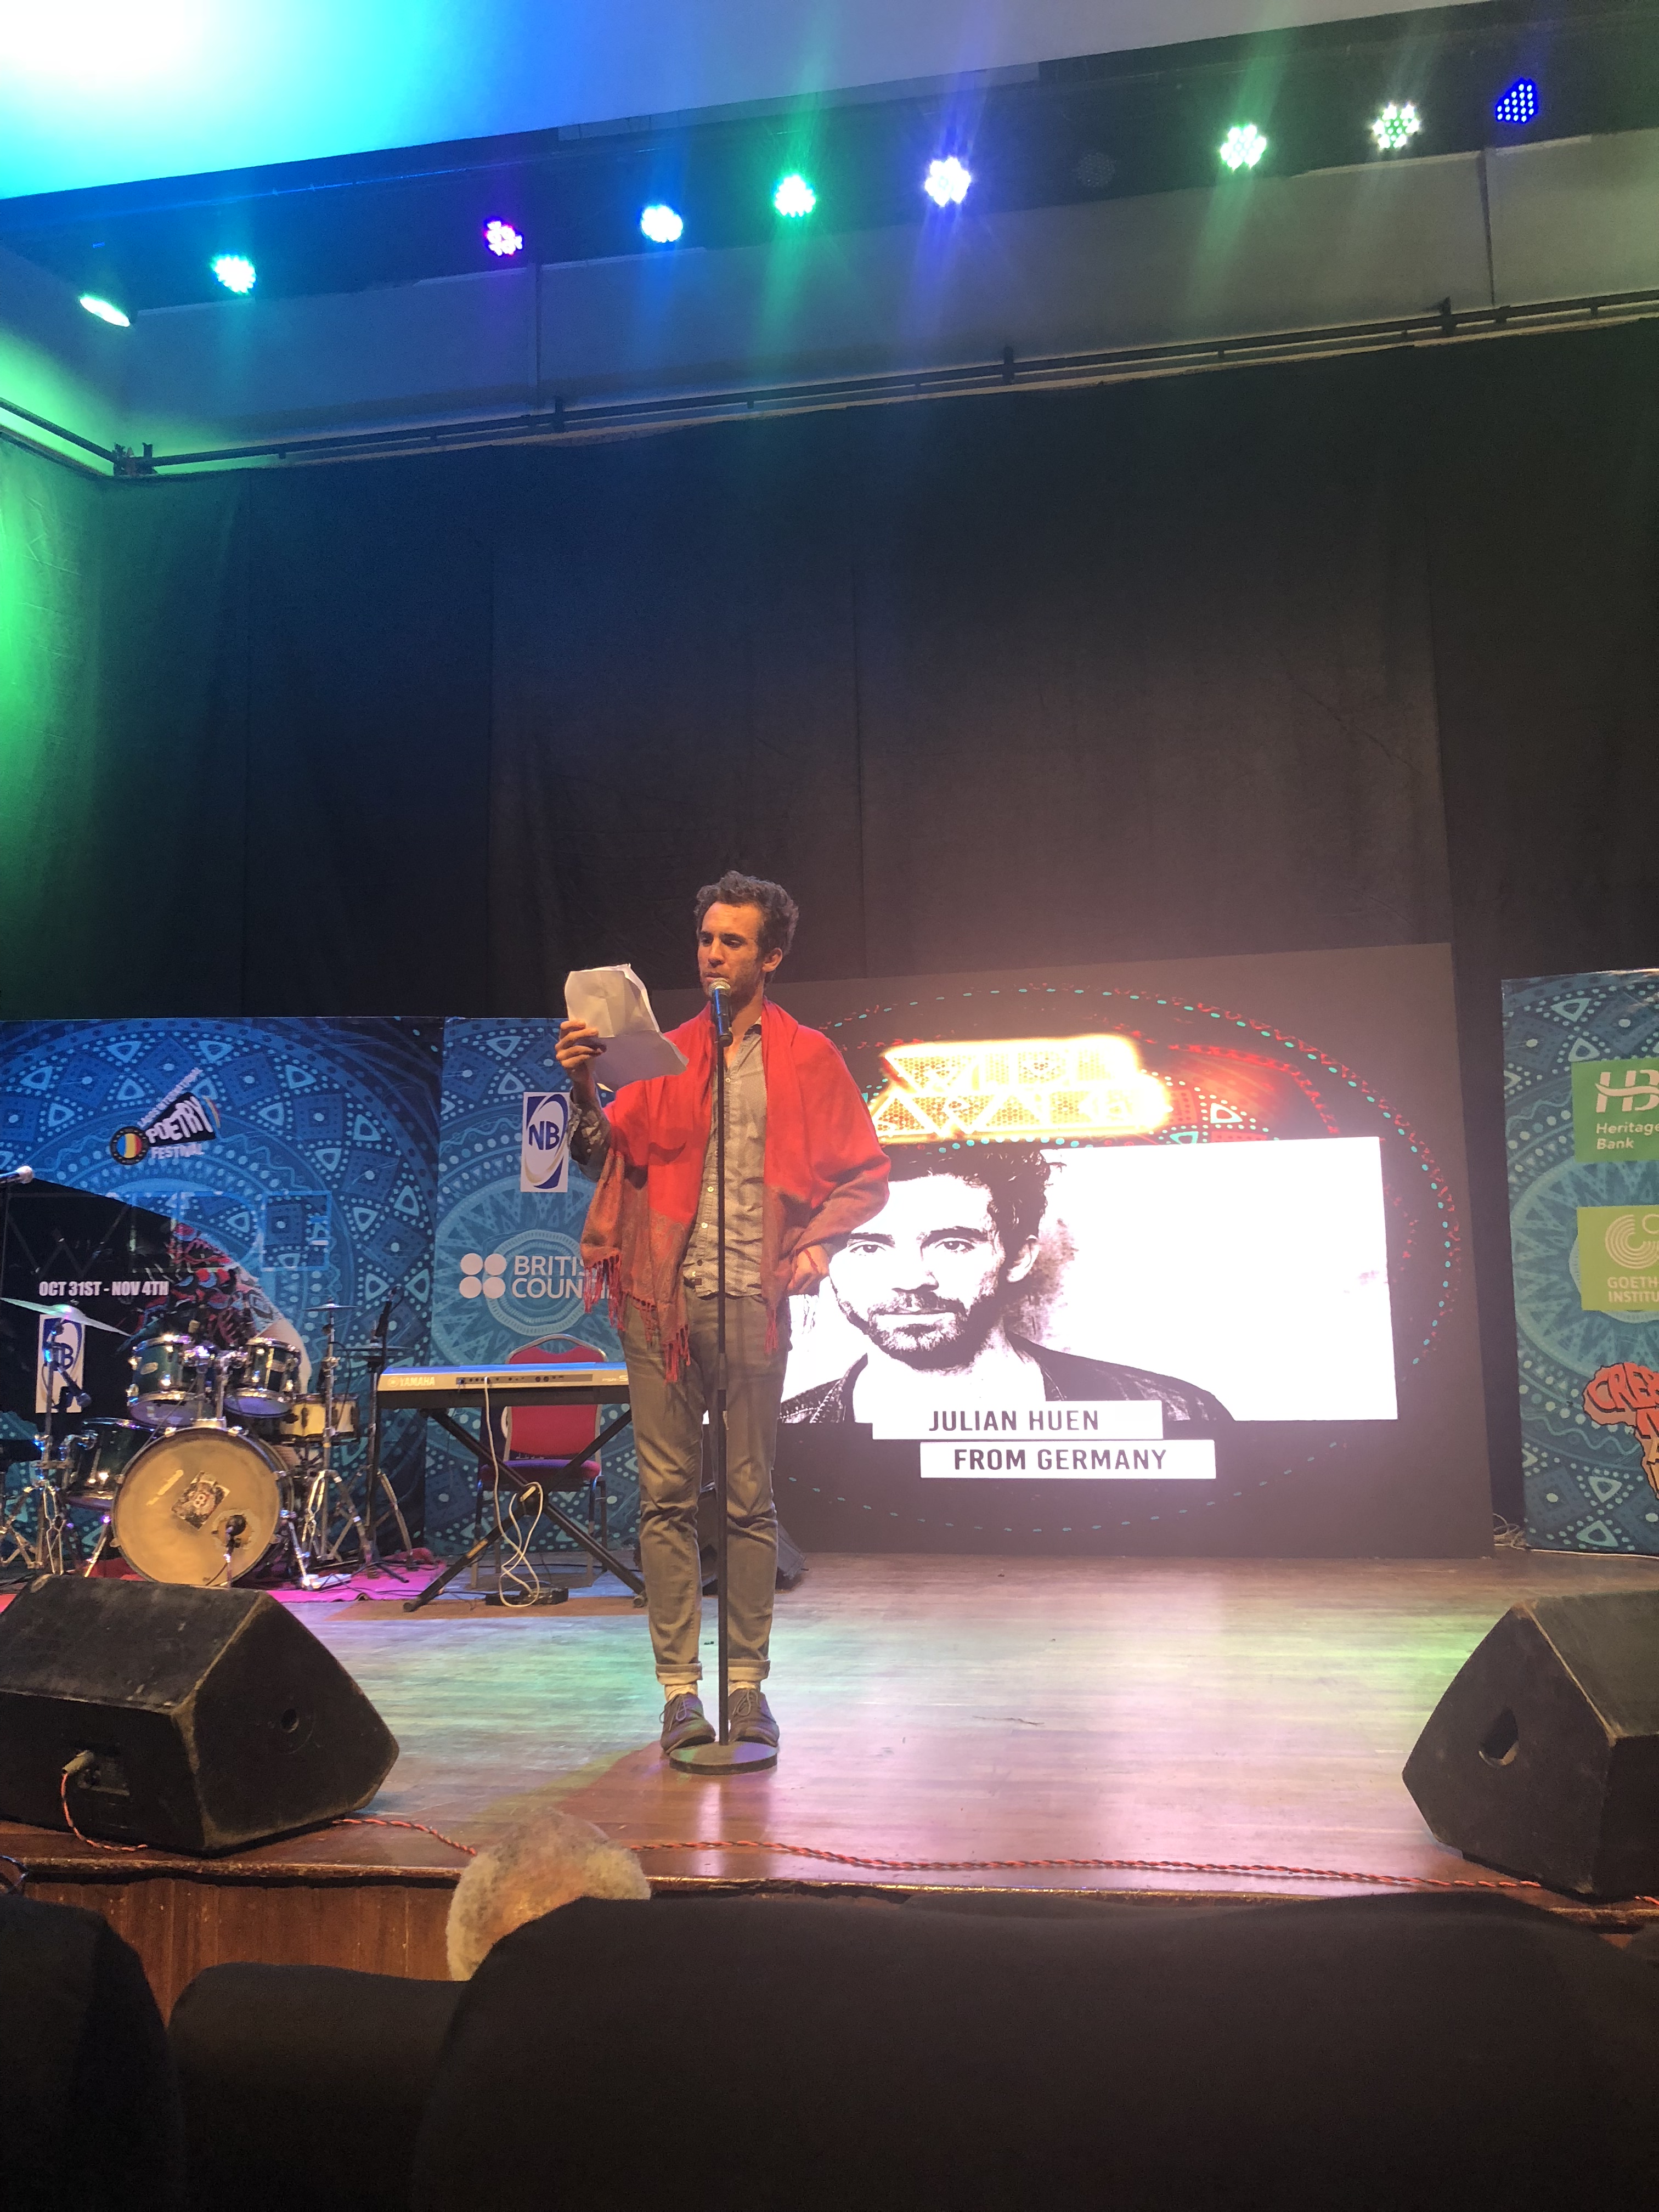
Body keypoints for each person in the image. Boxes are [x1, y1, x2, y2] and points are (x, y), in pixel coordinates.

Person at [557, 872, 888, 1757]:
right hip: (657, 1302)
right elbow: (601, 1157)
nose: (712, 954)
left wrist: (815, 1245)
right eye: (706, 939)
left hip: (750, 1299)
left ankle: (747, 1689)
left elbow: (863, 1173)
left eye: (732, 942)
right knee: (665, 1499)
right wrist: (585, 1085)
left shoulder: (809, 1056)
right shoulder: (660, 1053)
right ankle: (678, 1692)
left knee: (747, 1503)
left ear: (769, 957)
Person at [781, 1143, 1232, 1428]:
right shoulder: (782, 1437)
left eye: (953, 1244)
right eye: (868, 1248)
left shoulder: (1176, 1414)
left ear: (1018, 1258)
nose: (913, 1278)